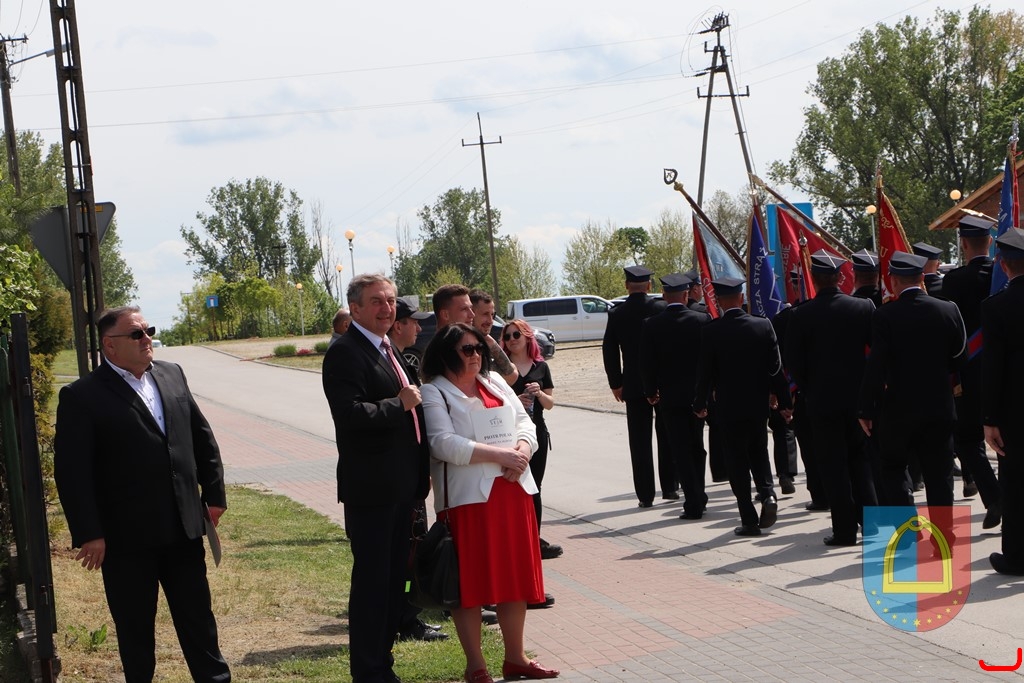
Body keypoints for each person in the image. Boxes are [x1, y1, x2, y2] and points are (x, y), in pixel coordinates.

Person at [54, 306, 231, 682]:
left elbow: (201, 436)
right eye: (136, 334)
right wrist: (89, 532)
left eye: (148, 330)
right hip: (126, 539)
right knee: (135, 631)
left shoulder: (171, 373)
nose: (146, 338)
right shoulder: (82, 396)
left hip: (183, 528)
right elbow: (72, 473)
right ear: (110, 345)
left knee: (199, 620)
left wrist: (214, 495)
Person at [420, 323, 559, 683]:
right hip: (468, 501)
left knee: (514, 579)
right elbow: (441, 443)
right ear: (446, 354)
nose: (476, 355)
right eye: (467, 349)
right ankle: (476, 666)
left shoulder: (495, 381)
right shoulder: (434, 391)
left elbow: (525, 422)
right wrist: (500, 455)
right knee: (470, 585)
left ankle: (516, 659)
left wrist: (523, 451)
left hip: (513, 491)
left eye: (479, 348)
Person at [322, 274, 429, 683]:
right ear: (355, 308)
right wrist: (397, 404)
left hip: (402, 486)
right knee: (372, 586)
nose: (387, 308)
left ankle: (382, 667)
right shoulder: (346, 353)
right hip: (372, 491)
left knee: (391, 584)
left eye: (391, 300)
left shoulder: (388, 347)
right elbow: (349, 415)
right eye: (377, 301)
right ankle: (368, 672)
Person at [858, 252, 966, 508]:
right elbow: (960, 357)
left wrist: (865, 408)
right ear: (922, 278)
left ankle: (905, 528)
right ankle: (942, 534)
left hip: (898, 408)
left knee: (892, 468)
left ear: (893, 281)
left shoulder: (884, 315)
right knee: (940, 477)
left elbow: (876, 365)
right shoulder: (948, 309)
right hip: (939, 405)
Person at [785, 251, 878, 546]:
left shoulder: (800, 315)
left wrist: (810, 389)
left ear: (813, 279)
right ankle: (872, 527)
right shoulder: (862, 307)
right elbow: (877, 353)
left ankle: (844, 531)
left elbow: (794, 363)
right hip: (858, 400)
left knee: (833, 466)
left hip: (821, 401)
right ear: (840, 277)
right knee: (861, 462)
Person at [693, 277, 792, 537]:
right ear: (741, 298)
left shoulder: (711, 331)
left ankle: (748, 519)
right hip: (757, 404)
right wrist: (785, 402)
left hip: (728, 406)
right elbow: (776, 369)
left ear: (719, 301)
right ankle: (768, 494)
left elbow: (704, 373)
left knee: (736, 461)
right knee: (759, 451)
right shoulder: (762, 325)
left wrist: (700, 404)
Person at [387, 297, 448, 643]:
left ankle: (407, 616)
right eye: (413, 321)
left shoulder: (401, 358)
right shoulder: (392, 359)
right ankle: (405, 620)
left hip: (411, 476)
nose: (419, 327)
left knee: (411, 551)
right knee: (407, 553)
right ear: (399, 325)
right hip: (398, 477)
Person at [941, 215, 1001, 527]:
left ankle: (995, 497)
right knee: (1007, 439)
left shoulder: (953, 281)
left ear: (963, 244)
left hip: (968, 371)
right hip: (1004, 369)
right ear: (990, 242)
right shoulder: (1001, 275)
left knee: (967, 440)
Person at [639, 273, 711, 520]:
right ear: (686, 295)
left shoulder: (651, 324)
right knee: (697, 446)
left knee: (680, 449)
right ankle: (699, 494)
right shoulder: (702, 320)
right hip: (696, 396)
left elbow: (646, 363)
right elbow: (708, 360)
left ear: (664, 296)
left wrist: (650, 391)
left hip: (669, 397)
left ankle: (693, 500)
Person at [602, 265, 671, 507]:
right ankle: (670, 487)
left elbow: (609, 351)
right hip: (662, 383)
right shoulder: (661, 308)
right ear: (649, 286)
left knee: (639, 442)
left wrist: (616, 383)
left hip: (632, 384)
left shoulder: (617, 314)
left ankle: (645, 495)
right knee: (666, 435)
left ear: (626, 285)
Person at [981, 228, 1024, 575]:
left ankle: (1017, 556)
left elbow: (992, 368)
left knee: (1015, 482)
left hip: (1014, 410)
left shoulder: (996, 307)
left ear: (1003, 264)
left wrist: (989, 418)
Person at [501, 318, 561, 558]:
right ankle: (517, 540)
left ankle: (535, 539)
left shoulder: (540, 366)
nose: (511, 340)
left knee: (535, 486)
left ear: (527, 337)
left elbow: (550, 403)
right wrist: (516, 401)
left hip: (537, 432)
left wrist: (539, 394)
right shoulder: (502, 370)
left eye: (516, 335)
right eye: (507, 336)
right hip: (510, 435)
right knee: (514, 489)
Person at [469, 287, 519, 384]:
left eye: (492, 315)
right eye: (485, 314)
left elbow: (512, 376)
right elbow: (511, 376)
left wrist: (490, 341)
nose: (490, 321)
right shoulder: (466, 347)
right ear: (471, 314)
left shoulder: (486, 343)